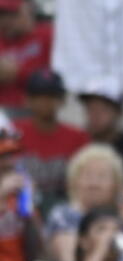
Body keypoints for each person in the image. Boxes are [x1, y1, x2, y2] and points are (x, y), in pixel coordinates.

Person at [44, 143, 123, 261]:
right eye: (87, 175)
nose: (94, 183)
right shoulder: (64, 215)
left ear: (117, 185)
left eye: (102, 176)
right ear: (74, 182)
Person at [12, 69, 89, 197]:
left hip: (65, 203)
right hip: (19, 203)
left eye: (52, 96)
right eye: (39, 96)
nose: (46, 102)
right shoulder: (13, 131)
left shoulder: (78, 136)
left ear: (62, 100)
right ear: (27, 100)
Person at [0, 0, 53, 109]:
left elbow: (61, 81)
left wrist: (19, 73)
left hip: (36, 117)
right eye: (1, 13)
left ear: (30, 6)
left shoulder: (48, 35)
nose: (5, 20)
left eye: (12, 12)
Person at [0, 130, 40, 261]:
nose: (9, 163)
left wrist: (29, 208)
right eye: (3, 157)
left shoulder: (20, 197)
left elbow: (40, 250)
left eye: (12, 156)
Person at [79, 90, 123, 185]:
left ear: (119, 112)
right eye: (90, 108)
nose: (95, 115)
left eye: (102, 109)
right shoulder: (78, 144)